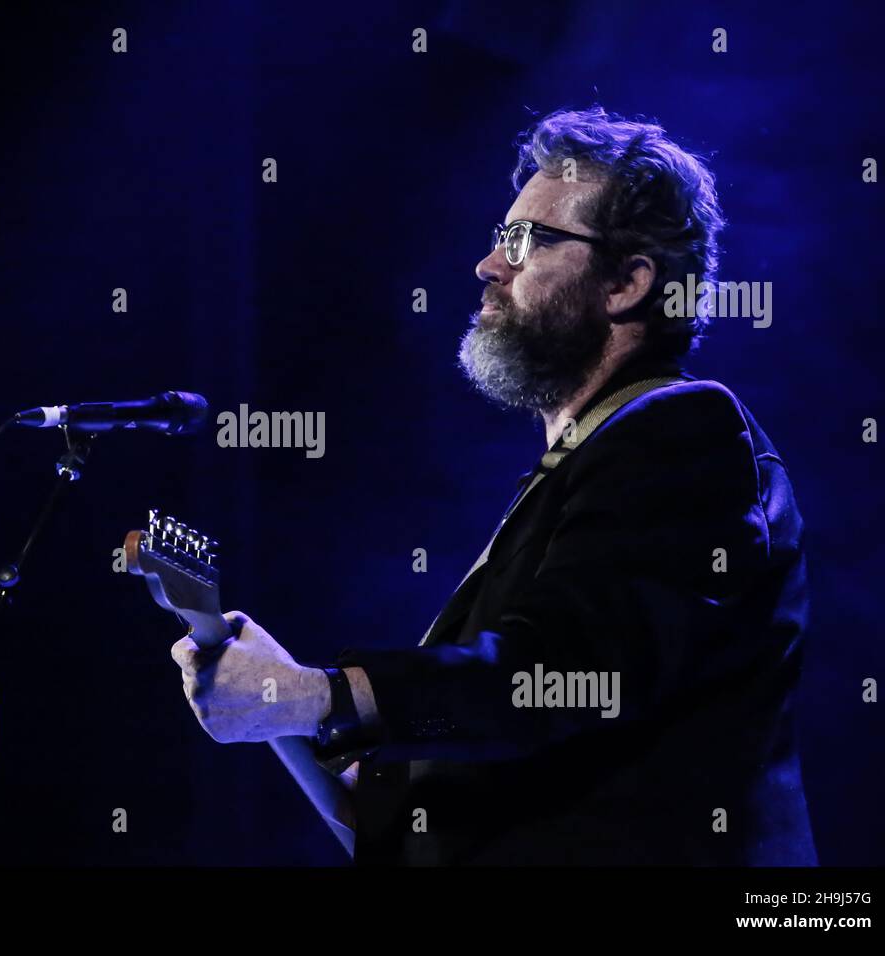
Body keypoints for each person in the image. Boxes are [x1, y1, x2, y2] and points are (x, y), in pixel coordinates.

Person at [170, 106, 817, 865]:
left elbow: (566, 674)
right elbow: (388, 823)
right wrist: (279, 704)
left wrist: (311, 693)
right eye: (497, 238)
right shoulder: (573, 473)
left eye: (526, 241)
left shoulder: (684, 430)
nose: (489, 264)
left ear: (627, 283)